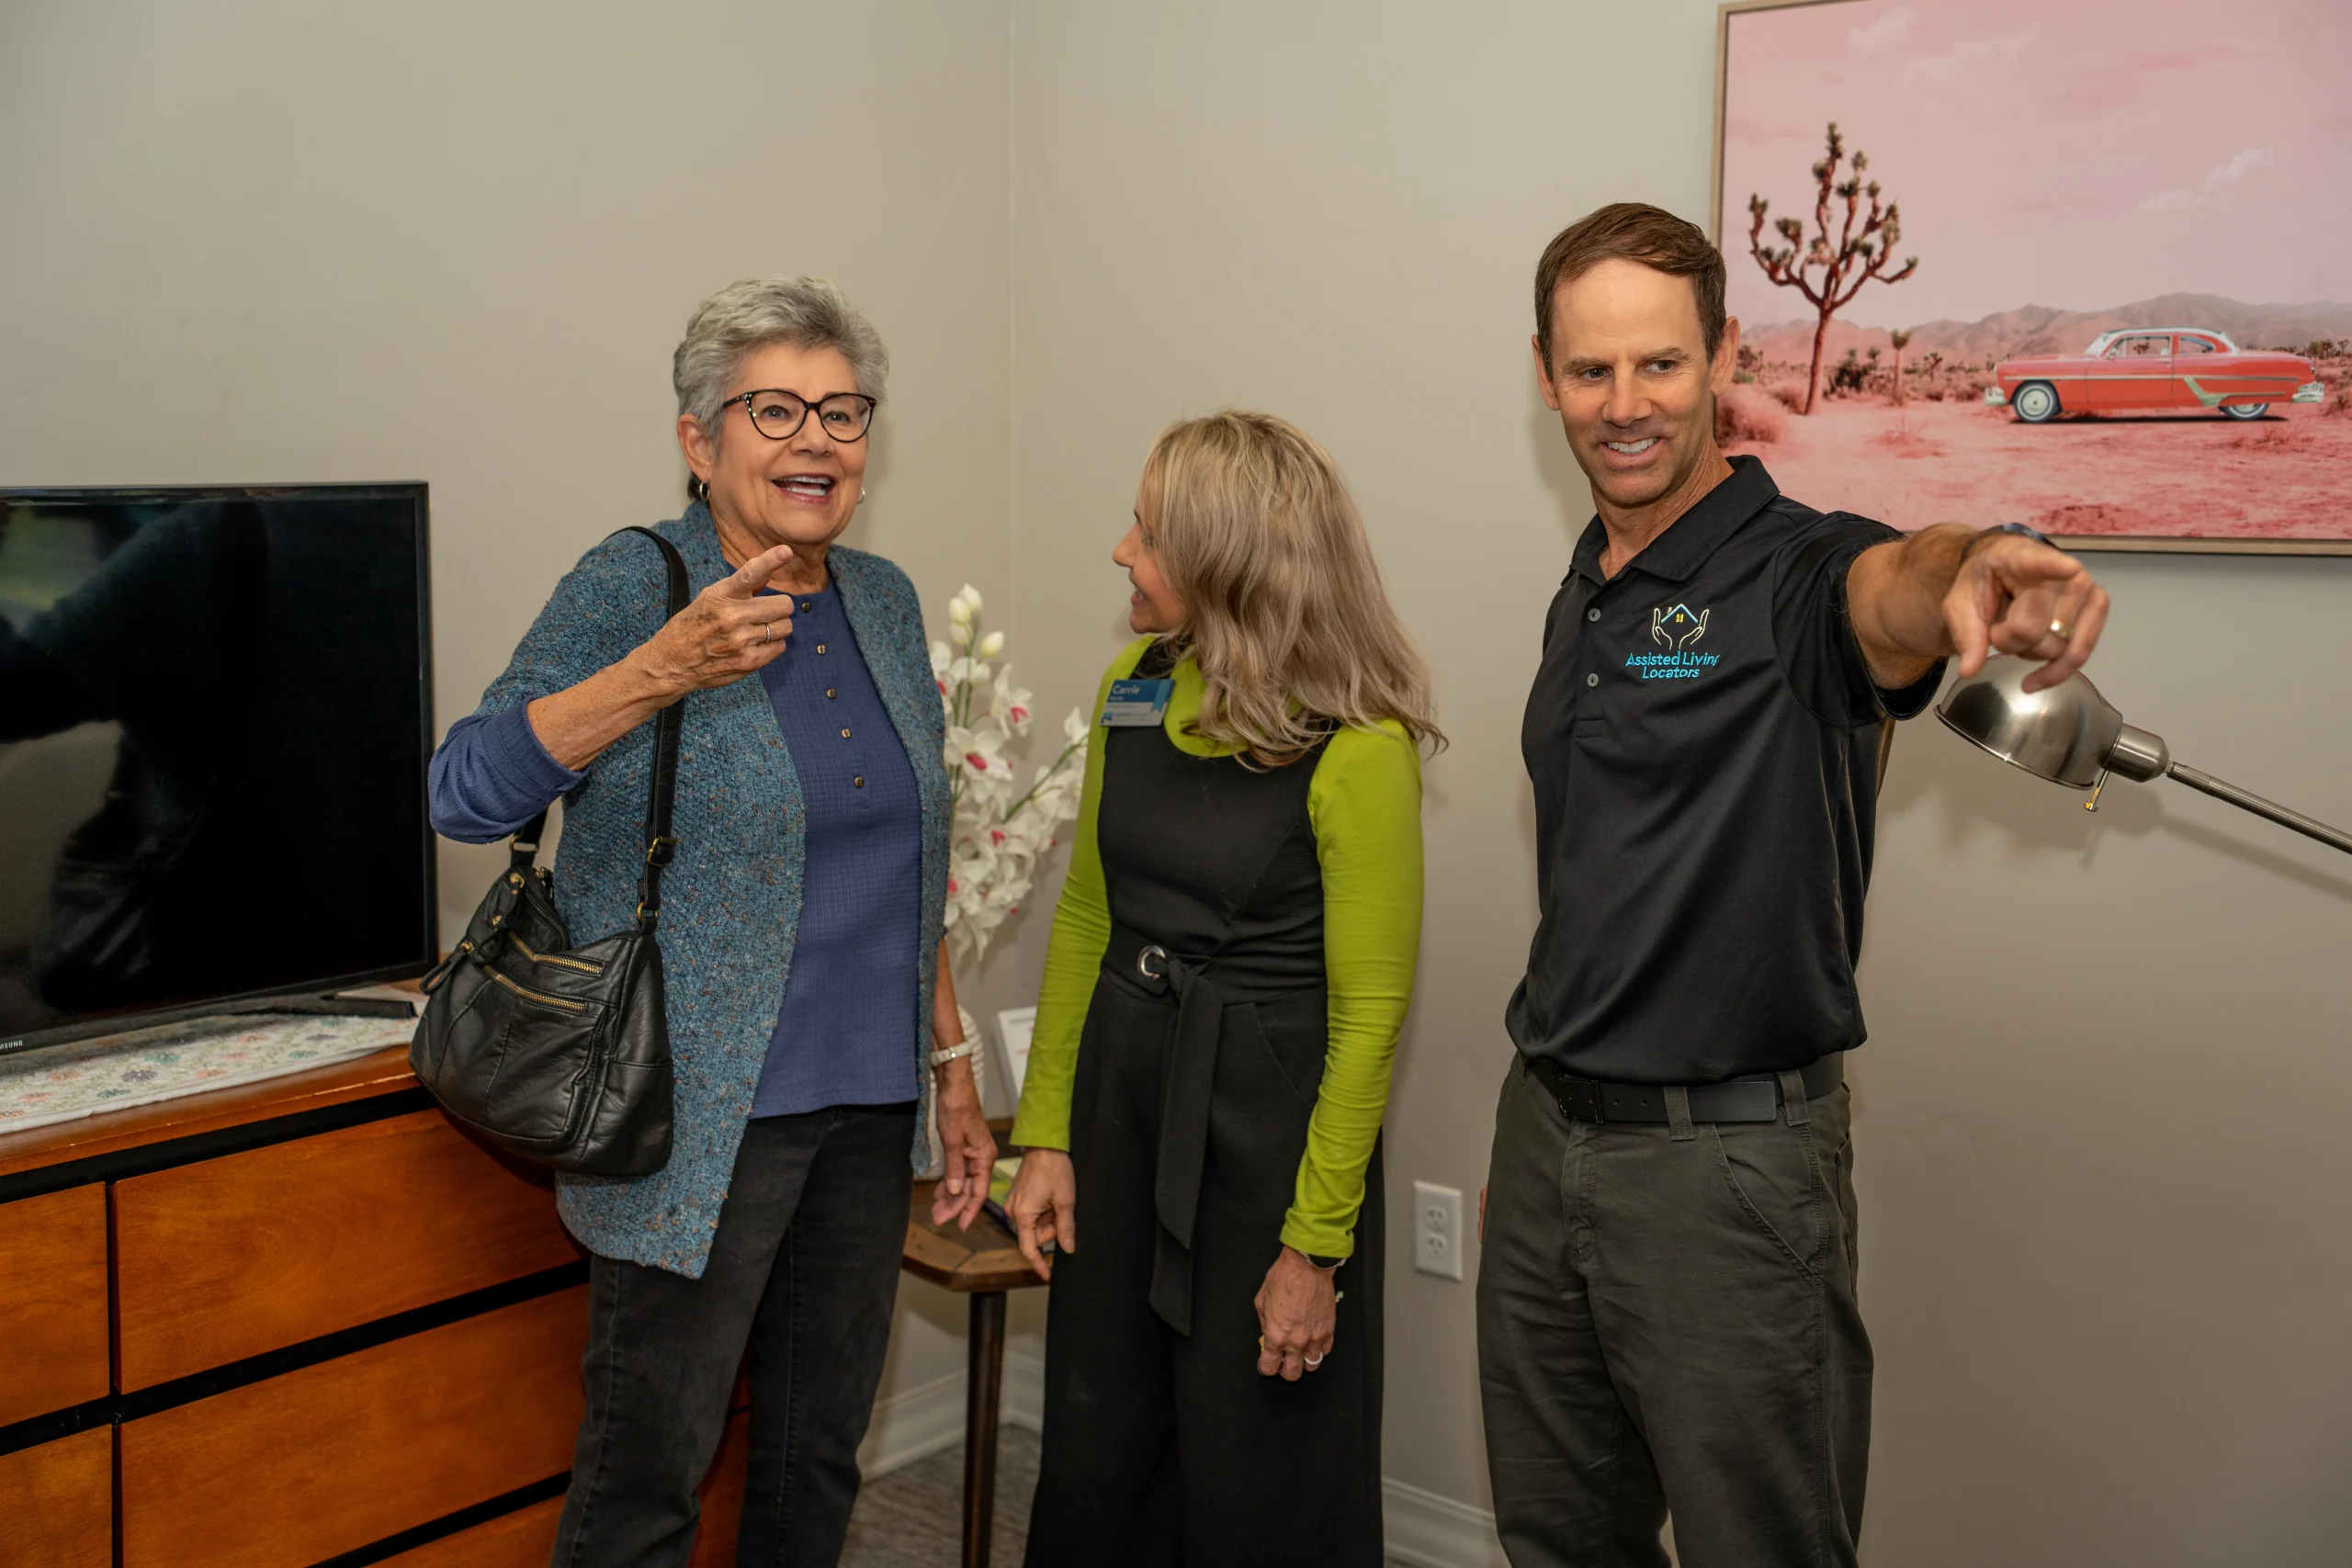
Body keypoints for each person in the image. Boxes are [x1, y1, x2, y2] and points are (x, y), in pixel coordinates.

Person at [1477, 203, 2111, 1568]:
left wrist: (1976, 555)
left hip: (1726, 1169)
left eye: (1660, 363)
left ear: (1724, 358)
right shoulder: (1587, 585)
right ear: (1545, 373)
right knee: (1557, 1537)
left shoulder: (1794, 570)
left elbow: (1896, 586)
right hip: (1551, 1134)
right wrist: (1547, 1144)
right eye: (1592, 371)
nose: (1625, 405)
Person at [426, 276, 995, 1568]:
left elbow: (913, 856)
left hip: (865, 1112)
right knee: (650, 1484)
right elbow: (461, 788)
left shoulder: (887, 598)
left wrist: (951, 1067)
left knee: (812, 1465)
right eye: (776, 408)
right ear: (700, 439)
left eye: (843, 410)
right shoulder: (636, 581)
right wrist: (656, 671)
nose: (816, 439)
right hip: (688, 1122)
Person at [1004, 412, 1436, 1566]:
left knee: (1259, 1475)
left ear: (1222, 560)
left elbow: (1367, 1023)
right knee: (1102, 1449)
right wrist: (1046, 1134)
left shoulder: (1361, 750)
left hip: (1269, 1148)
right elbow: (1088, 915)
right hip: (1123, 1109)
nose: (1120, 552)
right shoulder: (1133, 686)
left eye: (1145, 530)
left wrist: (1314, 1249)